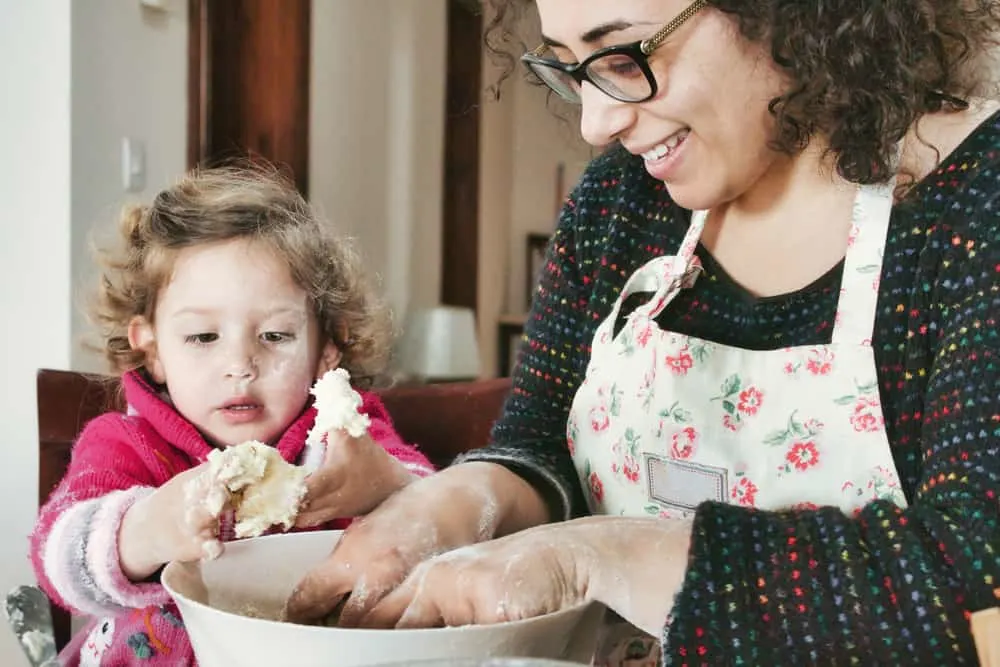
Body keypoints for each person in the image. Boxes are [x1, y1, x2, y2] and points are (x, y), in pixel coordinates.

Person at [285, 0, 1000, 664]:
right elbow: (540, 447)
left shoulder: (973, 206)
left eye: (624, 58)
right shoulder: (620, 202)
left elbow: (980, 575)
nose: (597, 123)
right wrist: (458, 498)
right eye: (570, 66)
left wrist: (597, 556)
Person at [29, 164, 435, 666]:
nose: (240, 366)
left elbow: (439, 517)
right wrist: (149, 527)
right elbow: (58, 559)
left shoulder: (346, 435)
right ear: (152, 347)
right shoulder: (123, 441)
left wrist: (388, 483)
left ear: (329, 346)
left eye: (275, 336)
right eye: (203, 337)